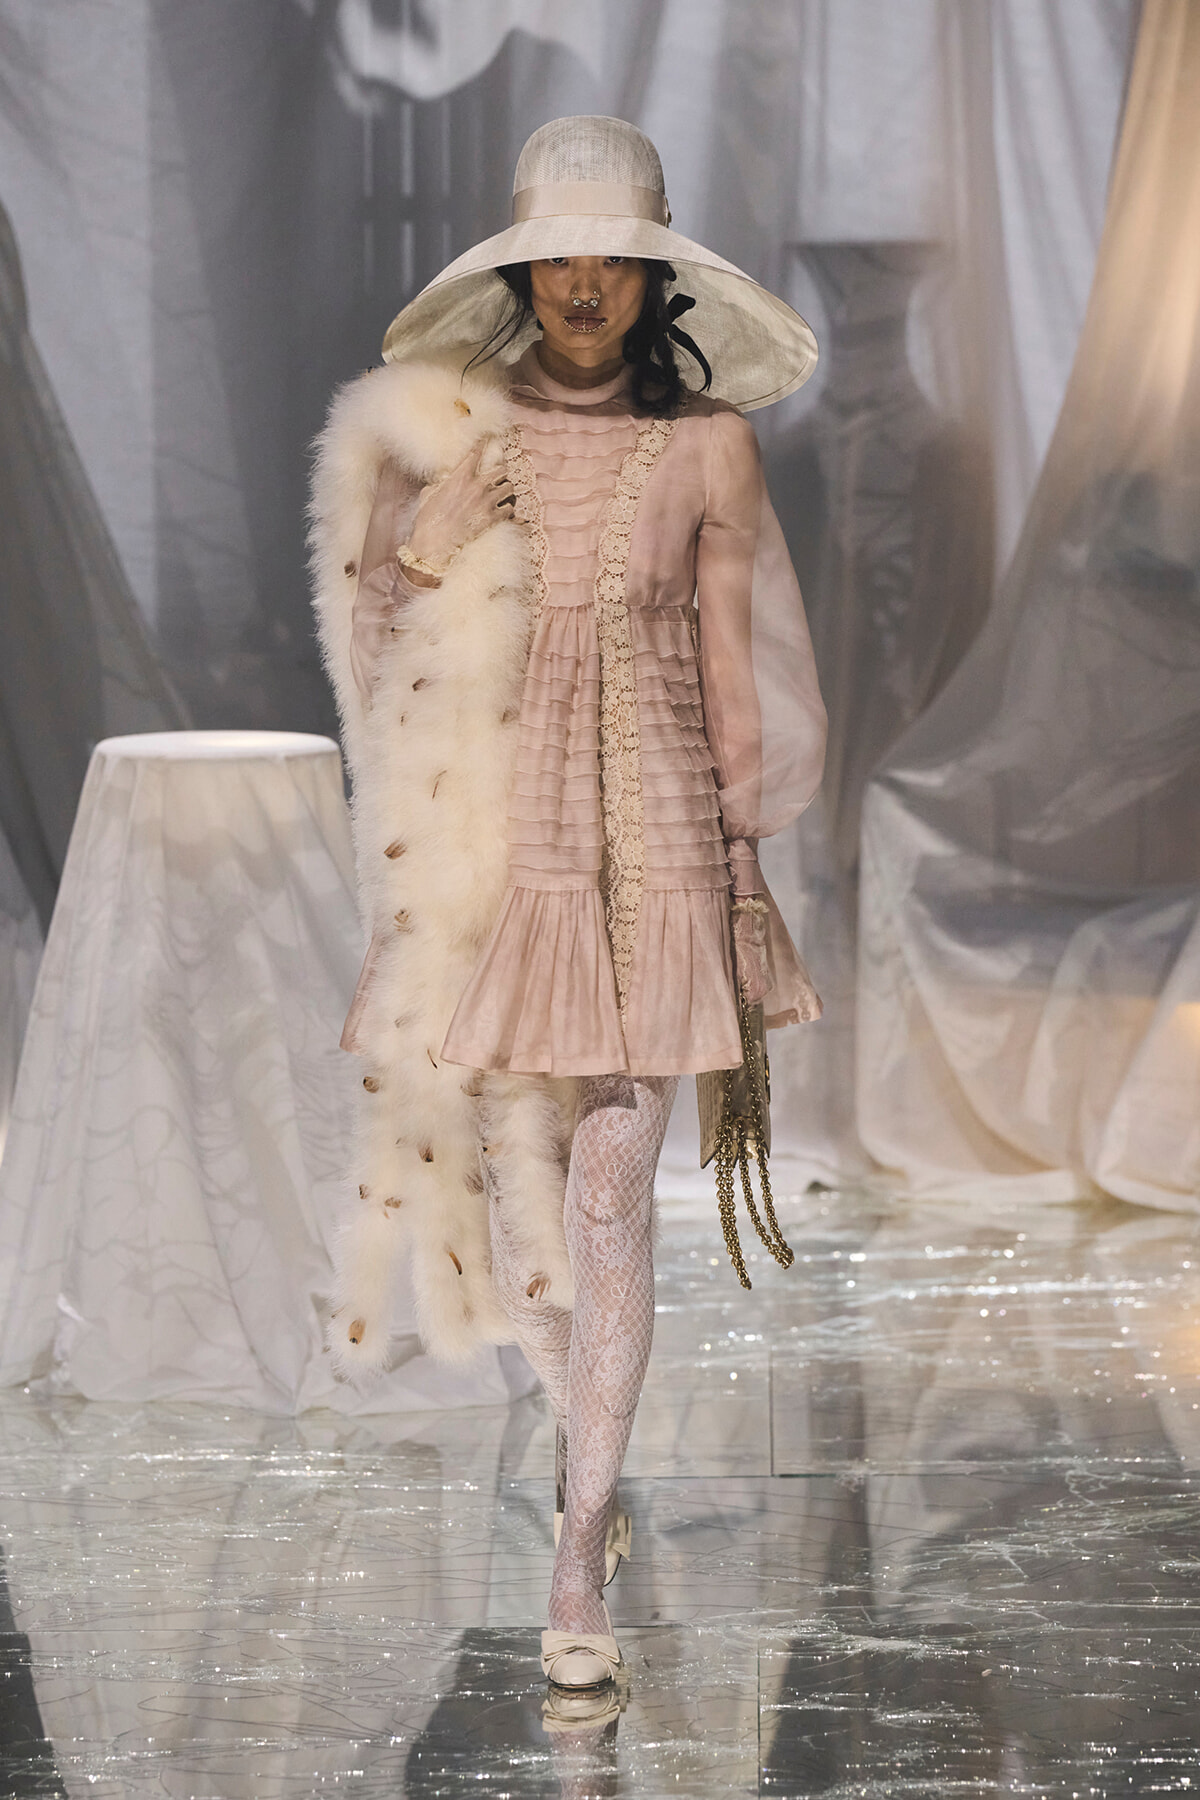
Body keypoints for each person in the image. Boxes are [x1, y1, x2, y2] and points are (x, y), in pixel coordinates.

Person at [310, 116, 827, 1693]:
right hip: (496, 863)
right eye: (560, 256)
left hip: (661, 846)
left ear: (656, 271)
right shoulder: (452, 434)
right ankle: (576, 1463)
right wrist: (419, 543)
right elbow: (377, 666)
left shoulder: (711, 448)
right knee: (520, 1213)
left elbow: (742, 683)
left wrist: (742, 879)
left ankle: (576, 1536)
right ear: (524, 272)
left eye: (618, 255)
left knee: (607, 1205)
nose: (588, 282)